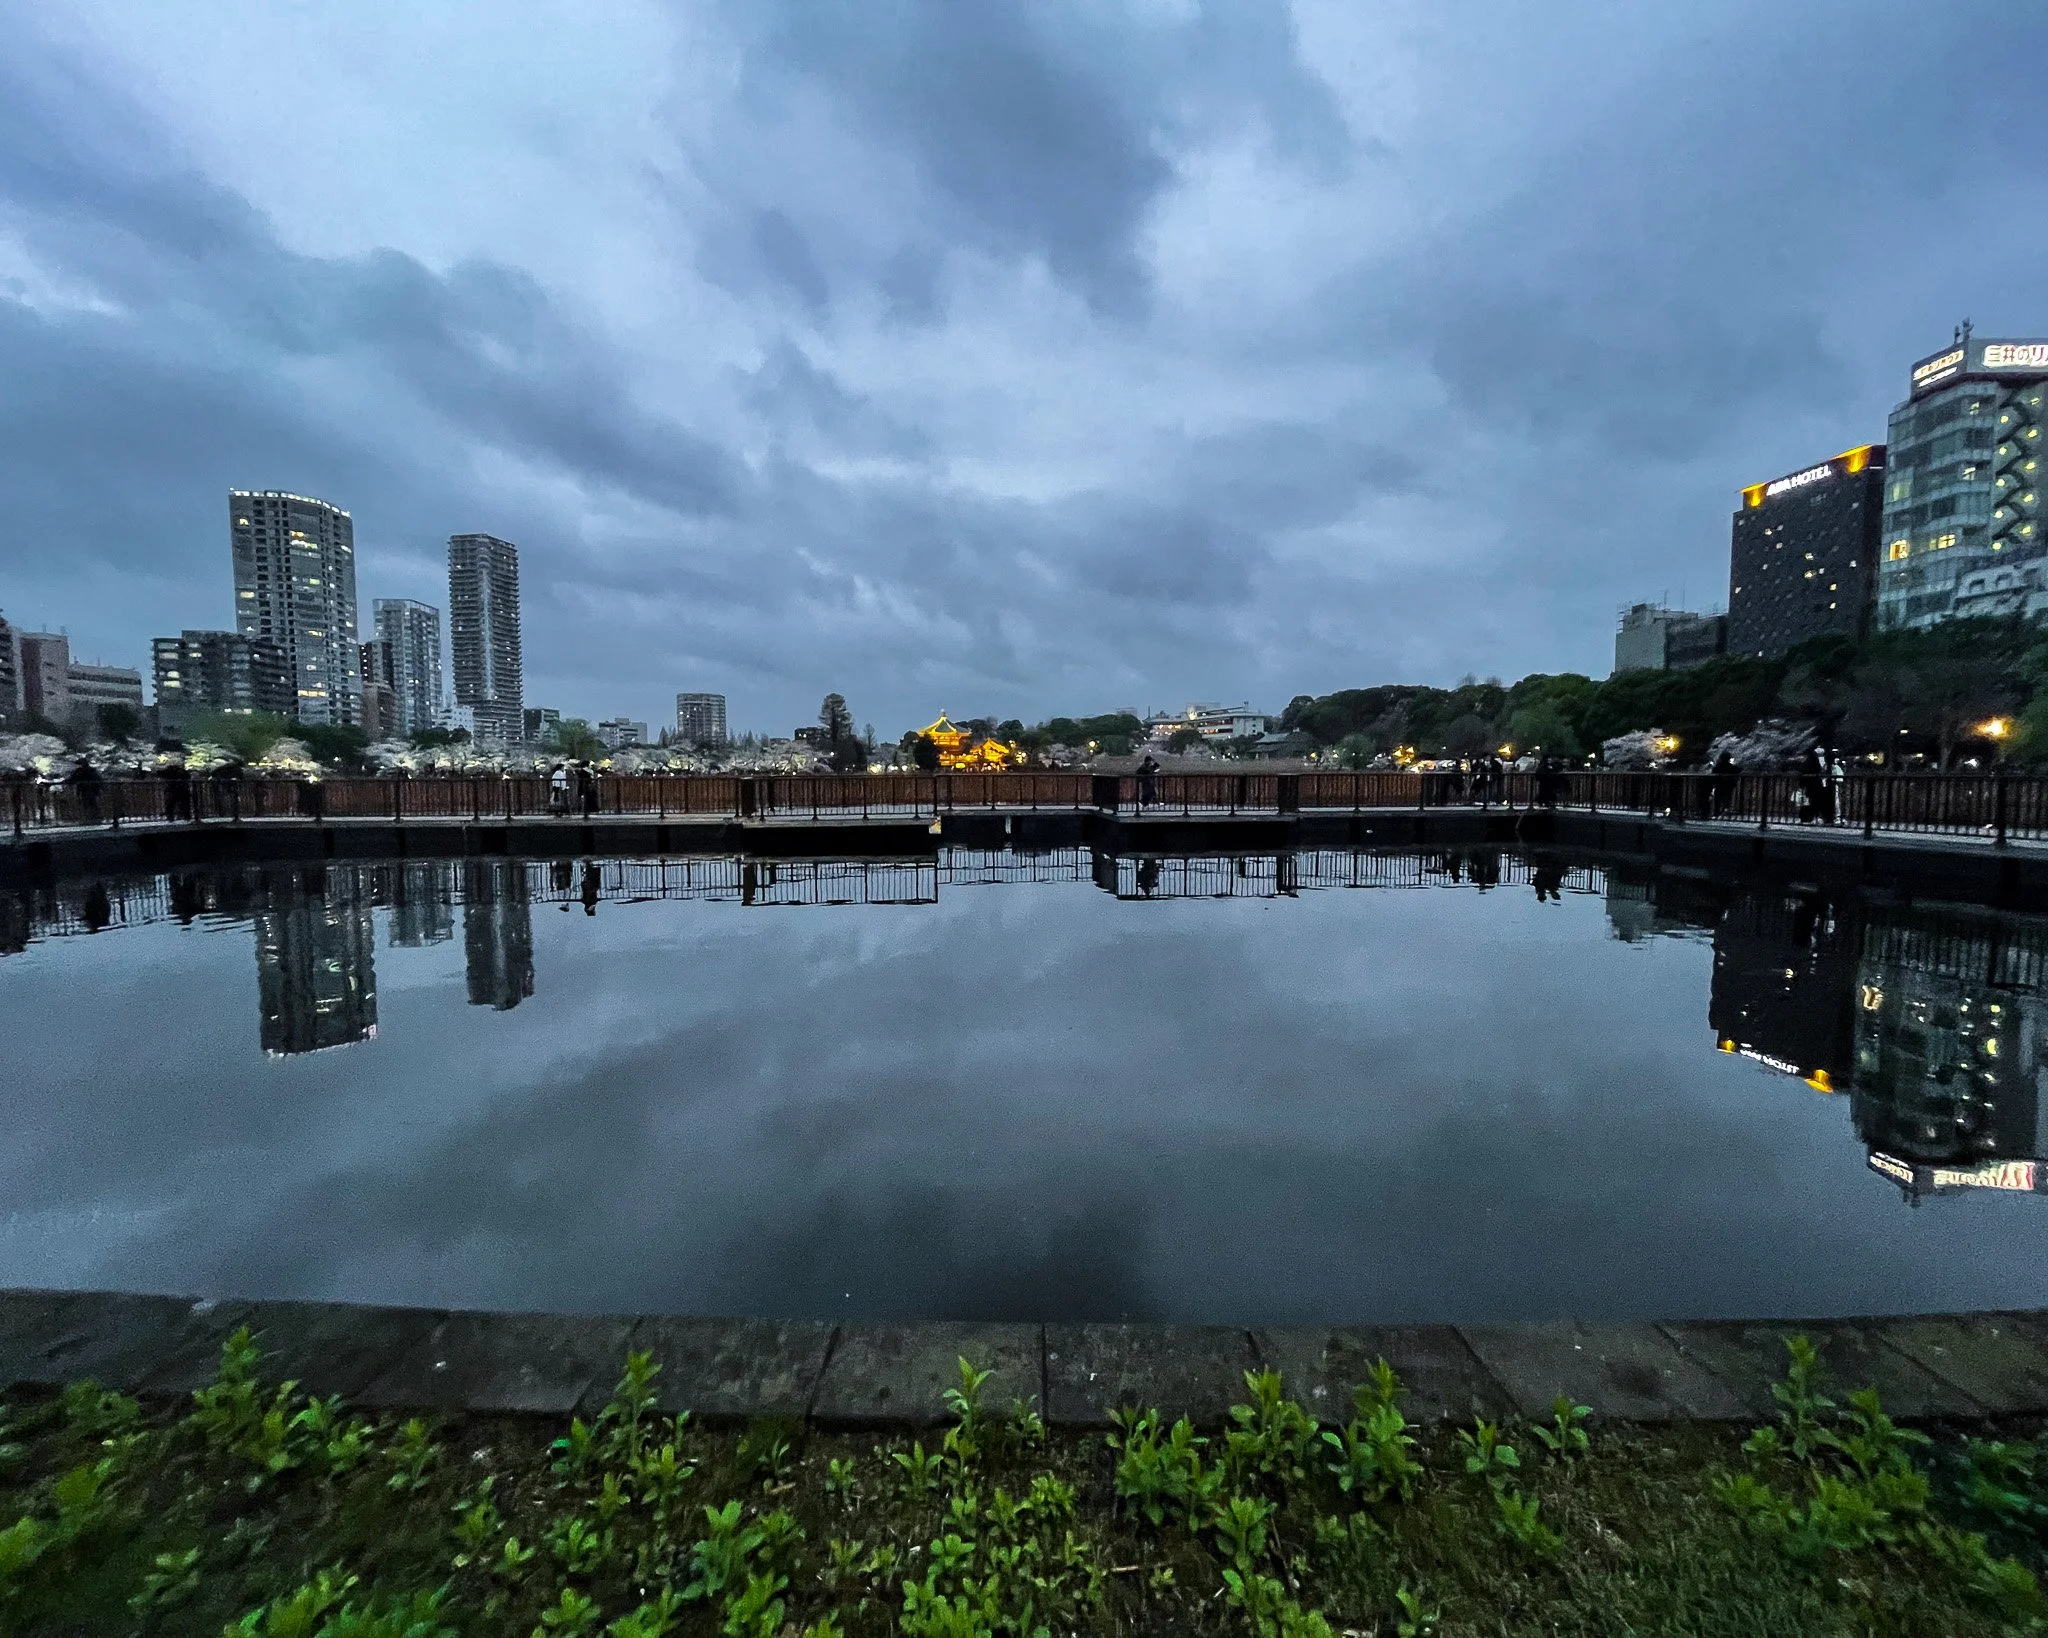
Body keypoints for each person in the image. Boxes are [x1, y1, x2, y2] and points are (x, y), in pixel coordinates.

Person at [67, 758, 103, 826]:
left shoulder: (79, 771)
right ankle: (96, 819)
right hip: (93, 791)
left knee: (86, 805)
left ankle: (87, 820)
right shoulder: (92, 771)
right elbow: (99, 780)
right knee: (93, 805)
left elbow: (72, 780)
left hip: (84, 791)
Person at [1797, 745, 1826, 825]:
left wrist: (1801, 784)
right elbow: (1819, 770)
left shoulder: (1807, 761)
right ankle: (1814, 817)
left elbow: (1803, 772)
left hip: (1809, 784)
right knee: (1815, 802)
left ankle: (1805, 817)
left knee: (1807, 801)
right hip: (1815, 784)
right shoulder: (1815, 760)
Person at [1710, 749, 1737, 819]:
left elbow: (1713, 773)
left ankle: (1716, 813)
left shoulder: (1717, 766)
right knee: (1727, 798)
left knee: (1717, 799)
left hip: (1719, 785)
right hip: (1729, 785)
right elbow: (1738, 769)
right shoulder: (1731, 767)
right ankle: (1725, 810)